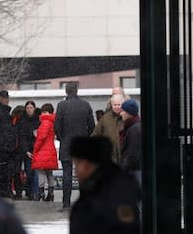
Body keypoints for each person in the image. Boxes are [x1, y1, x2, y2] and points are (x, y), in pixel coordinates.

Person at [48, 136, 142, 234]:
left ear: (85, 164)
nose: (76, 170)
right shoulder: (100, 188)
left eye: (76, 164)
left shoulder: (111, 192)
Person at [55, 82, 95, 211]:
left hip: (67, 144)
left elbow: (57, 126)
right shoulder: (86, 105)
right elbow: (92, 126)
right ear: (77, 91)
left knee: (67, 174)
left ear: (66, 91)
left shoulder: (61, 106)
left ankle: (66, 203)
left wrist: (62, 138)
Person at [31, 103, 58, 202]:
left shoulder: (45, 122)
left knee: (41, 172)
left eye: (43, 112)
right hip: (50, 150)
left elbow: (41, 137)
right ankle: (51, 193)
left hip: (43, 151)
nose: (41, 114)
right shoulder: (51, 122)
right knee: (49, 173)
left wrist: (36, 148)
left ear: (47, 112)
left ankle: (41, 193)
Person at [92, 94, 125, 163]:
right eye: (115, 105)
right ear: (111, 105)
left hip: (124, 157)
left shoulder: (127, 117)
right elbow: (96, 135)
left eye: (119, 104)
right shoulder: (105, 118)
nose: (117, 107)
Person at [18, 100, 40, 200]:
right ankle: (30, 191)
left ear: (34, 109)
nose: (29, 110)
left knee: (36, 172)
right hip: (27, 151)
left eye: (31, 108)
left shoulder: (39, 120)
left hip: (37, 149)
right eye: (27, 108)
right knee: (29, 172)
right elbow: (22, 137)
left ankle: (35, 193)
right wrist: (26, 151)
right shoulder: (22, 121)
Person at [120, 99, 142, 185]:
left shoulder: (133, 130)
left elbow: (132, 154)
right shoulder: (134, 127)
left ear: (129, 113)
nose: (121, 113)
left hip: (134, 171)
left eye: (122, 111)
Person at [10, 105, 26, 199]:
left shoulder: (13, 120)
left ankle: (17, 192)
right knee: (18, 172)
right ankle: (20, 192)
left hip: (14, 150)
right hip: (20, 150)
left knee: (15, 172)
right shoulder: (23, 121)